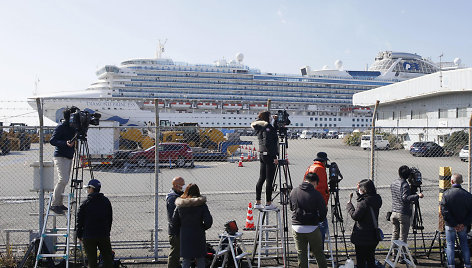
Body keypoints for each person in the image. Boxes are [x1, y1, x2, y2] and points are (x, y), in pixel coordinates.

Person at [290, 172, 328, 268]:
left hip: (296, 226)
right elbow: (323, 211)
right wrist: (319, 219)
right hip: (312, 227)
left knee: (301, 253)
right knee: (318, 252)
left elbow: (291, 207)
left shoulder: (294, 191)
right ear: (315, 183)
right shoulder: (317, 194)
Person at [172, 184, 213, 268]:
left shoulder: (180, 205)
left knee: (186, 259)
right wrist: (203, 227)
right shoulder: (201, 205)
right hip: (198, 233)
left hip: (185, 234)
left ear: (186, 191)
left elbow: (174, 221)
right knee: (200, 258)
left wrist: (181, 229)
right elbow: (208, 221)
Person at [77, 179, 113, 268]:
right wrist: (107, 231)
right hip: (103, 234)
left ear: (92, 188)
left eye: (88, 188)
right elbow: (109, 218)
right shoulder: (106, 201)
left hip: (89, 235)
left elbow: (80, 220)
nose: (87, 190)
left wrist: (79, 234)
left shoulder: (85, 203)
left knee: (92, 260)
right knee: (107, 259)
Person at [346, 179, 382, 268]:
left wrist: (349, 206)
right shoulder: (377, 199)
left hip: (362, 236)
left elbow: (355, 216)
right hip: (373, 235)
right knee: (370, 259)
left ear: (364, 190)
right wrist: (359, 194)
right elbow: (365, 201)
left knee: (361, 260)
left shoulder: (363, 203)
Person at [440, 173, 472, 268]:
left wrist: (454, 224)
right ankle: (467, 264)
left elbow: (444, 212)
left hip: (450, 225)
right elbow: (471, 212)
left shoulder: (446, 194)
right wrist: (463, 224)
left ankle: (451, 265)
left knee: (450, 245)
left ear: (452, 181)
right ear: (462, 182)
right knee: (464, 244)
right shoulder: (468, 195)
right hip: (463, 225)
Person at [49, 107, 77, 214]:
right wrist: (65, 143)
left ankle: (59, 203)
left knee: (65, 180)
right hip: (60, 156)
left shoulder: (73, 128)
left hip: (69, 156)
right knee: (63, 180)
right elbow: (52, 140)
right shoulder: (60, 127)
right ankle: (54, 204)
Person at [251, 111, 279, 210]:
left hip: (262, 154)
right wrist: (275, 156)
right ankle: (268, 203)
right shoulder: (267, 128)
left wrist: (275, 122)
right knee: (269, 180)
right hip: (269, 155)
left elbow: (272, 132)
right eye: (270, 117)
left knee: (262, 178)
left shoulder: (260, 127)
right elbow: (269, 142)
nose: (271, 118)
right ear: (267, 117)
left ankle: (258, 201)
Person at [390, 165, 423, 243]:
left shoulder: (394, 183)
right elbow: (405, 198)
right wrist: (417, 196)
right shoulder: (404, 184)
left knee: (395, 233)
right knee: (403, 235)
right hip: (403, 213)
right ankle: (402, 254)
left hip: (394, 211)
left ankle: (394, 252)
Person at [304, 152, 330, 245]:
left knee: (311, 227)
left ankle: (311, 250)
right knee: (322, 227)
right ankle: (319, 251)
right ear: (323, 161)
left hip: (308, 201)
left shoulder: (310, 167)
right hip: (318, 203)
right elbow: (322, 188)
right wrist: (325, 202)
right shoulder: (321, 169)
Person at [166, 177, 186, 268]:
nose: (183, 186)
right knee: (175, 253)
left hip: (177, 230)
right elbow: (173, 218)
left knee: (177, 253)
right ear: (175, 185)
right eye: (182, 185)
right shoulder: (172, 198)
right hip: (175, 231)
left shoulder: (178, 195)